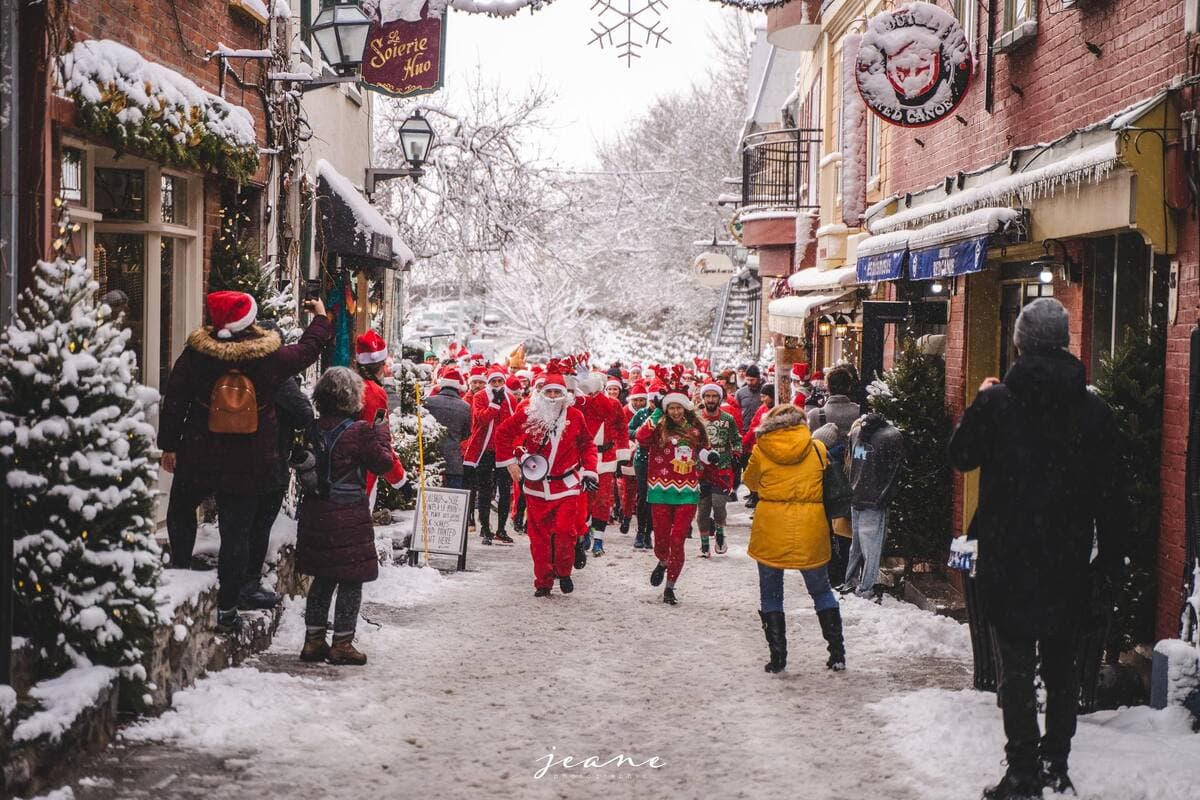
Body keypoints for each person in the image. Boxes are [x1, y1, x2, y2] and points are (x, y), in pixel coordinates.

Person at [948, 298, 1125, 800]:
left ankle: (1022, 771)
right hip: (1068, 559)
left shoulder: (999, 402)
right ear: (1066, 343)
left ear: (1020, 343)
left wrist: (980, 402)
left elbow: (961, 457)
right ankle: (1056, 764)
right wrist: (1110, 563)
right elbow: (1113, 496)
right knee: (1063, 667)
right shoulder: (1093, 410)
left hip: (1008, 557)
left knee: (1017, 669)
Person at [159, 290, 331, 633]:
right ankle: (227, 608)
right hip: (249, 459)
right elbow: (309, 350)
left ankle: (179, 570)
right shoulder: (268, 358)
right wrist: (321, 318)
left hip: (199, 451)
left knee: (180, 509)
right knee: (236, 534)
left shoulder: (197, 354)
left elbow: (175, 398)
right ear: (248, 320)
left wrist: (169, 445)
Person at [297, 367, 398, 666]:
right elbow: (382, 464)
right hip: (348, 515)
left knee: (323, 578)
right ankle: (342, 643)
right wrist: (381, 433)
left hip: (317, 513)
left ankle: (313, 641)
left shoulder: (313, 428)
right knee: (351, 580)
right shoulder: (360, 431)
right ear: (353, 397)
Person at [743, 404, 845, 674]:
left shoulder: (761, 450)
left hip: (771, 527)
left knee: (771, 593)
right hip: (810, 526)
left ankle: (778, 658)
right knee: (820, 590)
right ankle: (837, 653)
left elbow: (750, 482)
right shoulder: (817, 449)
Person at [495, 365, 598, 597]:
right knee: (538, 538)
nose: (552, 397)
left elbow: (588, 445)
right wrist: (510, 461)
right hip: (537, 486)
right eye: (549, 392)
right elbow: (503, 433)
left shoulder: (575, 416)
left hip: (566, 485)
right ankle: (543, 582)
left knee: (565, 532)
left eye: (557, 393)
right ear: (542, 393)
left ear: (565, 395)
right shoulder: (529, 413)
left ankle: (563, 571)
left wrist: (590, 470)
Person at [635, 387, 714, 605]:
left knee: (677, 539)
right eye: (671, 408)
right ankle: (662, 561)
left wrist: (710, 457)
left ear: (685, 408)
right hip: (660, 490)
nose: (676, 412)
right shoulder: (658, 426)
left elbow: (704, 451)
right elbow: (640, 437)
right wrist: (657, 413)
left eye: (679, 407)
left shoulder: (695, 428)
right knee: (661, 538)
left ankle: (670, 587)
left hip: (687, 491)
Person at [841, 412, 904, 598]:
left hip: (856, 494)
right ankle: (866, 588)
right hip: (874, 499)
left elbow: (851, 464)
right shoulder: (891, 437)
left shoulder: (857, 432)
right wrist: (885, 497)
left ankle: (850, 581)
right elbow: (893, 472)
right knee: (872, 548)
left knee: (857, 546)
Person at [463, 366, 518, 545]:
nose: (496, 385)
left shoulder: (510, 398)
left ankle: (501, 529)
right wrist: (494, 404)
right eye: (493, 381)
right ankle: (485, 528)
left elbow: (514, 423)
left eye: (499, 381)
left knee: (504, 492)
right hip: (484, 451)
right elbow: (481, 419)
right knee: (485, 491)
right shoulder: (479, 397)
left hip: (503, 452)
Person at [354, 331, 407, 505]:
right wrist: (400, 479)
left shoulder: (350, 384)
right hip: (362, 473)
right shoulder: (375, 393)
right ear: (379, 365)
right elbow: (377, 440)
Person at [696, 382, 742, 557]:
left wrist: (737, 456)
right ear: (703, 398)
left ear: (719, 398)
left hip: (722, 467)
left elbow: (736, 440)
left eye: (714, 396)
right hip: (701, 469)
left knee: (719, 505)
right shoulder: (697, 418)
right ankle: (705, 544)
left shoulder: (727, 419)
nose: (710, 399)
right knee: (703, 510)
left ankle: (720, 532)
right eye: (707, 396)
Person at [423, 367, 472, 490]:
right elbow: (466, 434)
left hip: (430, 459)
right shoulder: (465, 407)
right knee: (452, 500)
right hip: (453, 460)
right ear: (458, 388)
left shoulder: (428, 402)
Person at [628, 380, 660, 550]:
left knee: (655, 499)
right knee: (642, 497)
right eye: (652, 401)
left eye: (657, 401)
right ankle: (640, 531)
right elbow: (629, 430)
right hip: (642, 460)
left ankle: (649, 533)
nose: (653, 405)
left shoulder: (666, 415)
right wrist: (641, 432)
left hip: (661, 462)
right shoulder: (641, 414)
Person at [618, 381, 649, 535]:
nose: (638, 403)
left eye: (641, 400)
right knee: (629, 489)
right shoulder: (625, 411)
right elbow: (623, 431)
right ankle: (626, 516)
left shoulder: (649, 413)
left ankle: (642, 525)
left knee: (643, 492)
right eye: (636, 400)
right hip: (629, 453)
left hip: (644, 454)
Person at [735, 364, 763, 430]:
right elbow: (736, 411)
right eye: (748, 380)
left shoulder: (764, 392)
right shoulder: (740, 393)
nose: (750, 382)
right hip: (744, 429)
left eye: (752, 380)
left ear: (758, 379)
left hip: (760, 429)